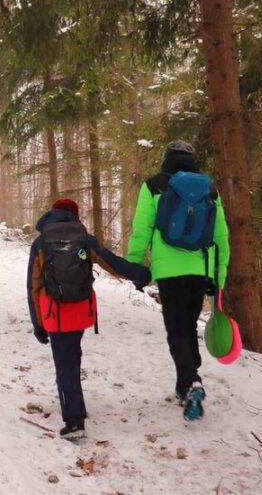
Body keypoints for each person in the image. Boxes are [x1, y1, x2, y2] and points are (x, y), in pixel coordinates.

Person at [26, 198, 150, 440]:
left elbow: (32, 286)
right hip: (81, 310)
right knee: (72, 354)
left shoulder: (41, 242)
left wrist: (38, 324)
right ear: (74, 215)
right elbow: (113, 264)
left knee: (65, 364)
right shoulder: (84, 239)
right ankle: (76, 403)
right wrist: (142, 274)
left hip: (55, 313)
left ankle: (74, 419)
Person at [126, 140, 230, 421]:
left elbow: (142, 229)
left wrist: (135, 265)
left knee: (176, 331)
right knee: (186, 326)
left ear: (166, 158)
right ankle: (184, 386)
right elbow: (221, 237)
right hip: (199, 268)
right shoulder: (208, 189)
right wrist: (218, 276)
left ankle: (192, 380)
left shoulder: (154, 185)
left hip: (169, 272)